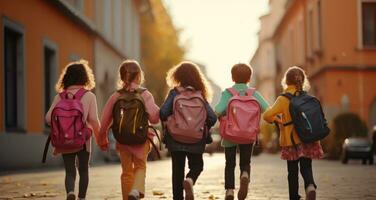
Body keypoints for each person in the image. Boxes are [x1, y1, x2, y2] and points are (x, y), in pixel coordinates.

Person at [97, 60, 160, 200]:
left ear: (121, 77)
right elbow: (155, 118)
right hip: (141, 140)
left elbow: (105, 119)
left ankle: (128, 197)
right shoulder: (145, 94)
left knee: (126, 172)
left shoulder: (116, 96)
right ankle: (136, 191)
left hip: (123, 141)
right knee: (140, 167)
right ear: (139, 76)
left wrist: (102, 138)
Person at [263, 66, 324, 200]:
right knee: (306, 166)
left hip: (291, 141)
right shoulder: (307, 97)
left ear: (286, 81)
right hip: (308, 138)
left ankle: (294, 197)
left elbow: (266, 115)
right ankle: (310, 186)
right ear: (302, 81)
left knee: (292, 171)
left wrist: (278, 120)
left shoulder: (283, 99)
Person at [160, 61, 217, 200]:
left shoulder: (175, 92)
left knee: (177, 172)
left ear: (177, 76)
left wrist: (173, 122)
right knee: (197, 166)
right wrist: (200, 126)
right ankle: (190, 180)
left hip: (176, 137)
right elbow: (212, 117)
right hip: (196, 139)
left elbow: (163, 113)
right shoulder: (200, 95)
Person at [45, 60, 100, 200]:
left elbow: (47, 118)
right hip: (83, 141)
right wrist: (101, 136)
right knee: (84, 170)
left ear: (66, 77)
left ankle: (70, 192)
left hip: (65, 140)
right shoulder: (89, 96)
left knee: (69, 171)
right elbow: (93, 119)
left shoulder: (59, 97)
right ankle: (82, 198)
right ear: (85, 77)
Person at [215, 63, 269, 200]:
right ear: (249, 78)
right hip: (249, 134)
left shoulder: (227, 93)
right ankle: (245, 174)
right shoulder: (254, 93)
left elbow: (217, 110)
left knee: (230, 163)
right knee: (245, 162)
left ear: (232, 78)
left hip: (230, 134)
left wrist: (222, 114)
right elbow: (267, 109)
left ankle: (229, 190)